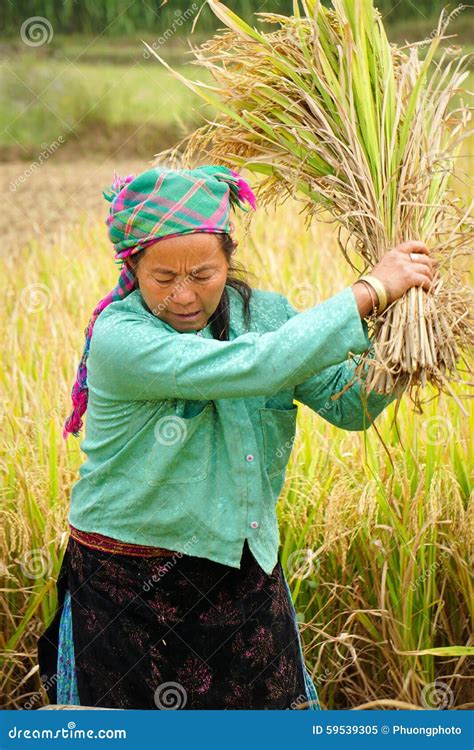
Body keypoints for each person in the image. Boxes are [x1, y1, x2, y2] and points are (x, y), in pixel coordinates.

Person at [37, 164, 437, 710]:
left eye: (202, 274)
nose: (182, 295)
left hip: (245, 577)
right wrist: (368, 290)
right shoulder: (121, 337)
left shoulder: (266, 317)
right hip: (128, 586)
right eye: (162, 278)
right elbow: (256, 366)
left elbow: (348, 404)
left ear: (228, 258)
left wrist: (406, 339)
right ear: (132, 267)